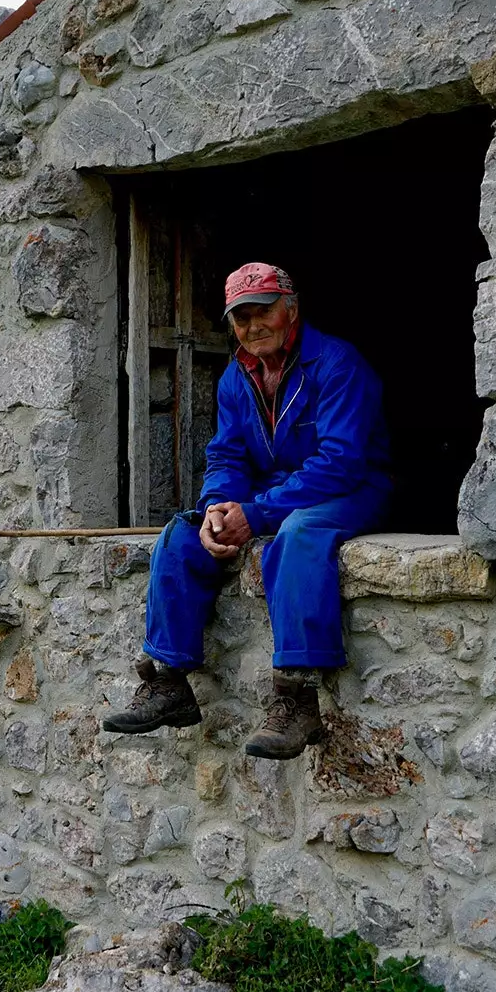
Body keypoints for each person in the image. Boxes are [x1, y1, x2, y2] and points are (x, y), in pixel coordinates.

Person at [103, 261, 390, 758]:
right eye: (240, 317)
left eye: (263, 312)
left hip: (353, 487)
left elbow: (340, 462)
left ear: (291, 309)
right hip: (275, 491)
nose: (252, 326)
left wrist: (256, 514)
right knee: (181, 533)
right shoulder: (238, 375)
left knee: (299, 534)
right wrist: (218, 506)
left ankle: (298, 696)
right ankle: (168, 680)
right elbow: (228, 454)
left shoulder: (338, 363)